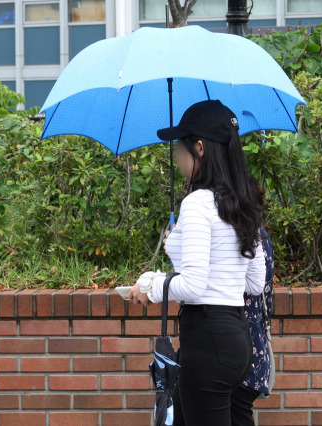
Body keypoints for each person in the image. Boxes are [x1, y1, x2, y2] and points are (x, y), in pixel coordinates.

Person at [127, 99, 266, 426]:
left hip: (207, 340)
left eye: (180, 147)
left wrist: (151, 287)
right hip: (236, 340)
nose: (177, 156)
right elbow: (254, 282)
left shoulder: (198, 203)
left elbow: (193, 285)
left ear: (200, 148)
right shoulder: (242, 201)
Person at [171, 225, 275, 426]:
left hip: (217, 352)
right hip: (248, 353)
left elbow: (195, 288)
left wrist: (182, 248)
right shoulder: (255, 231)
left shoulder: (221, 233)